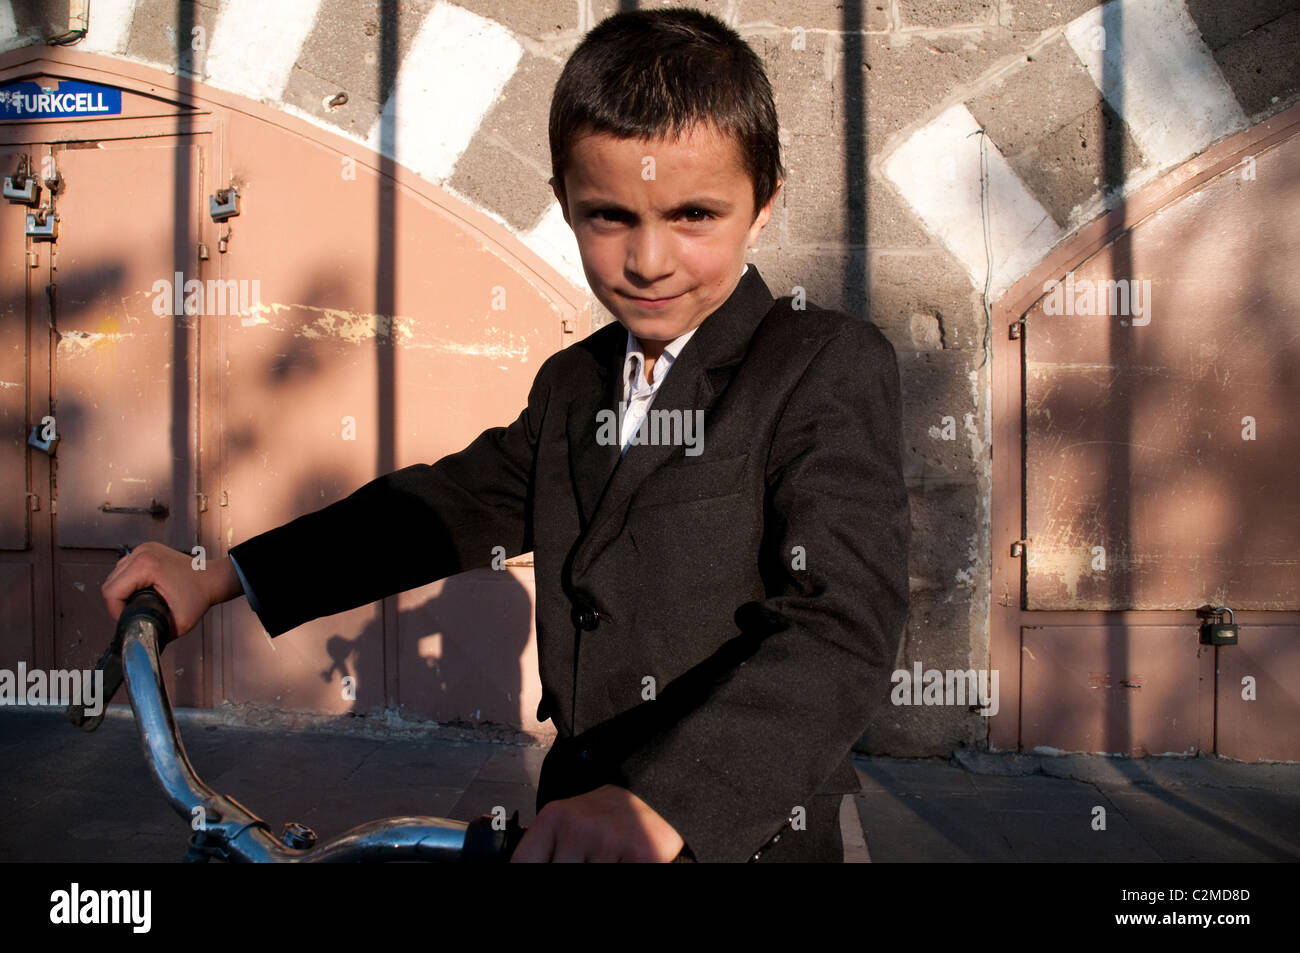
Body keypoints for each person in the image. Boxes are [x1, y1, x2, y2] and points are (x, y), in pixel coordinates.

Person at [101, 7, 910, 863]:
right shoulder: (573, 384)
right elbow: (443, 507)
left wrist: (664, 803)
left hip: (736, 833)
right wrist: (223, 576)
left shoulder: (820, 364)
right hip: (570, 826)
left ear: (765, 203)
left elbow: (840, 625)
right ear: (563, 202)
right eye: (609, 217)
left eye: (693, 216)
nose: (648, 259)